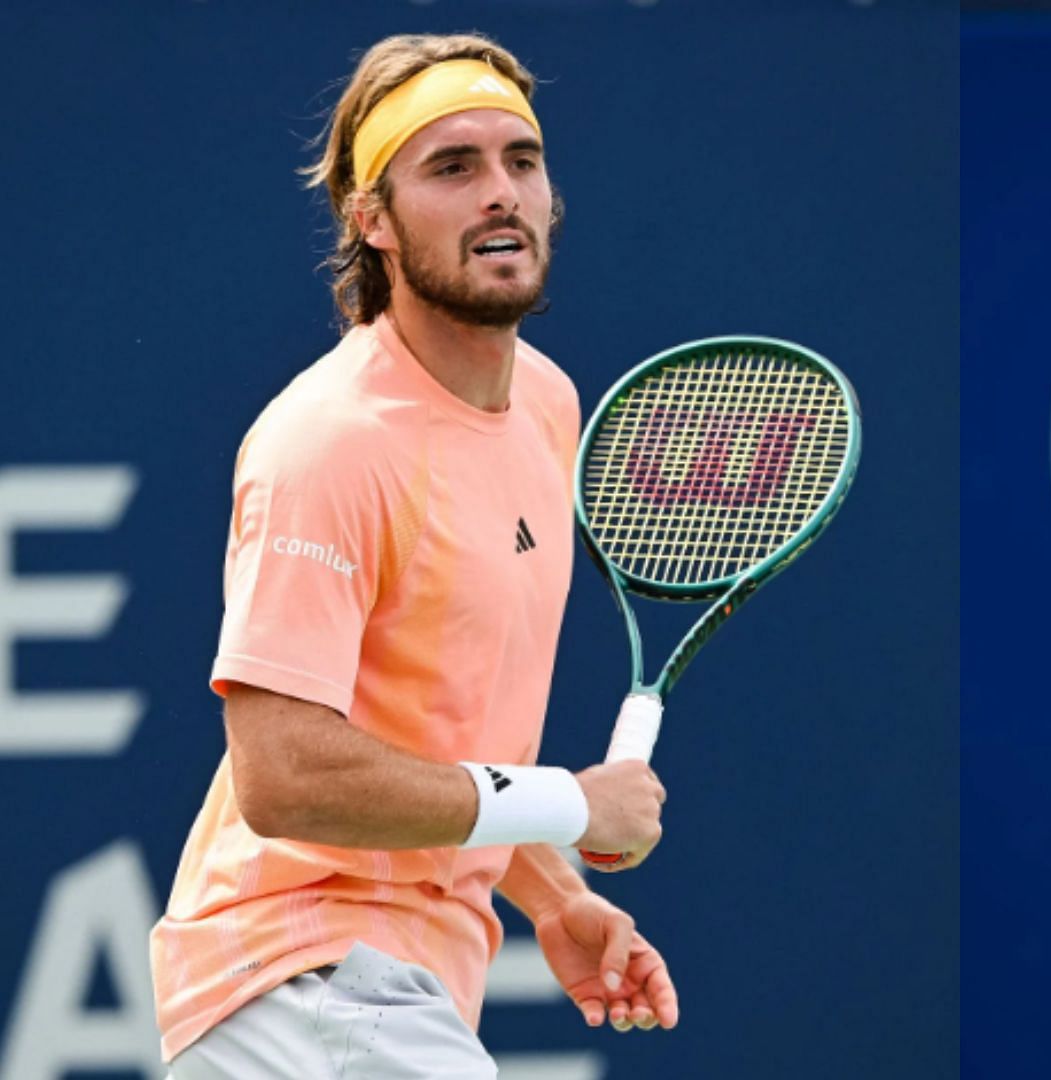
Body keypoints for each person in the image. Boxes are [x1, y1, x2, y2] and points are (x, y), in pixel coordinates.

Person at [151, 33, 677, 1078]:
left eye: (520, 161)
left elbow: (440, 741)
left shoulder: (548, 406)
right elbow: (284, 772)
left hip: (395, 985)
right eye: (452, 168)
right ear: (372, 220)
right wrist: (571, 804)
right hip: (299, 977)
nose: (501, 195)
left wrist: (557, 894)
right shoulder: (330, 442)